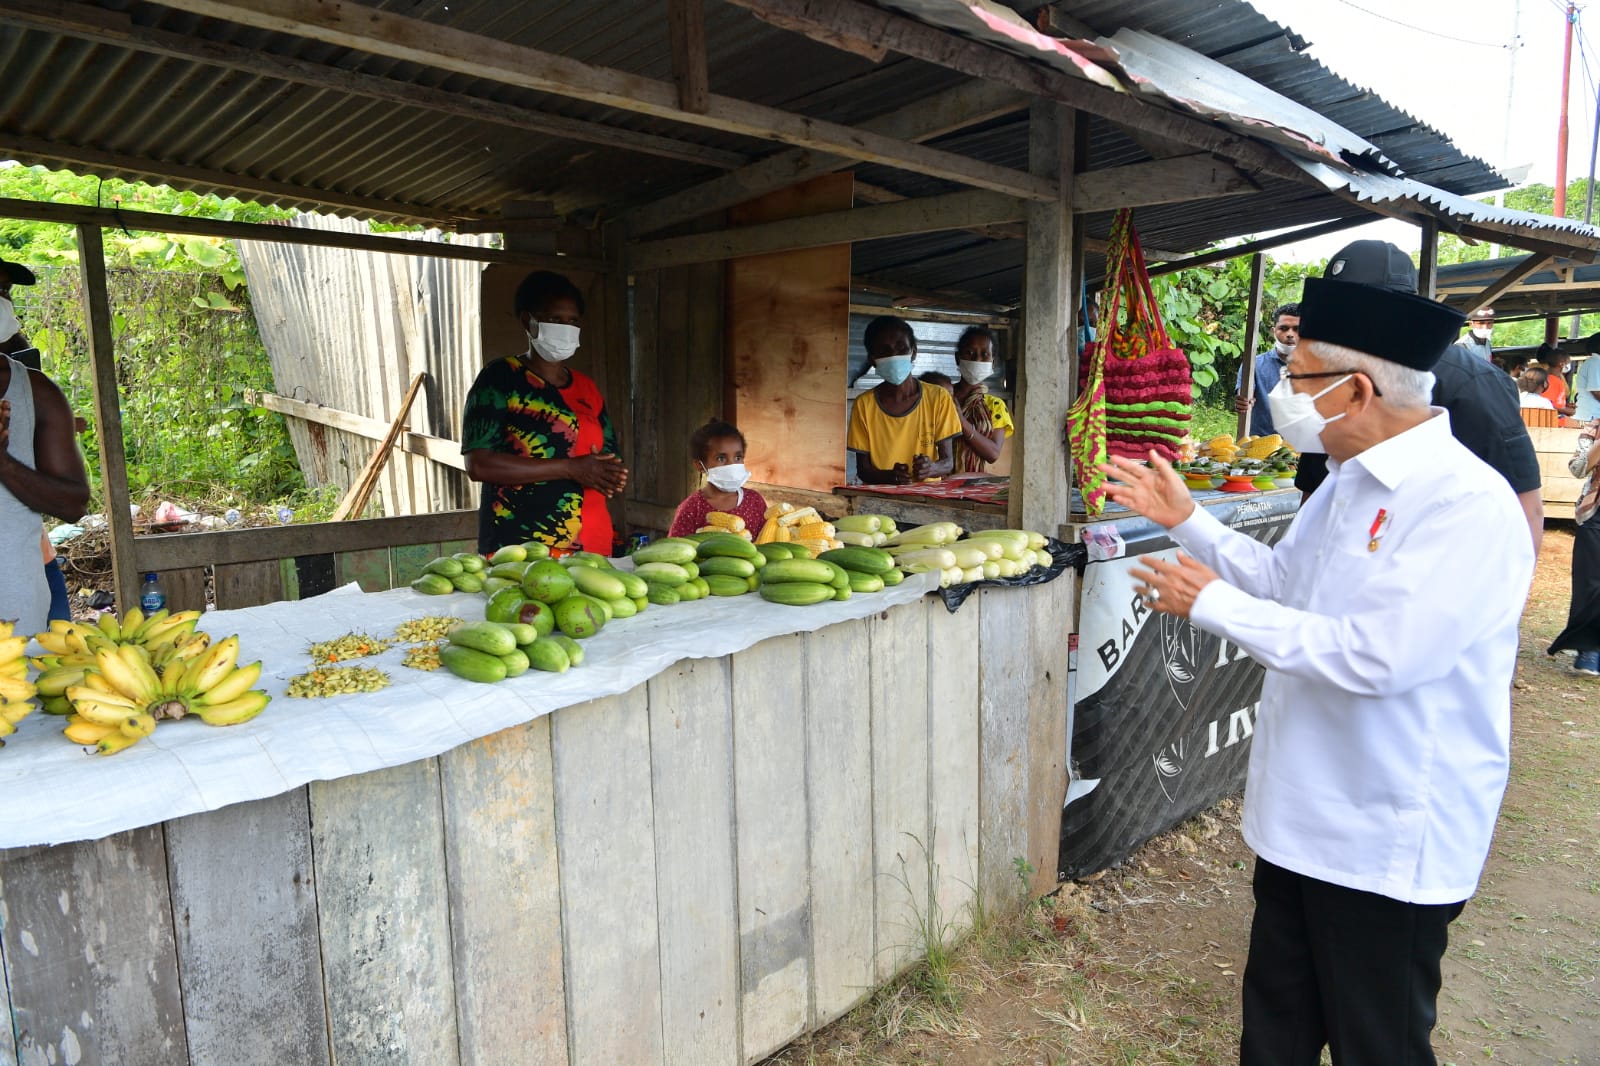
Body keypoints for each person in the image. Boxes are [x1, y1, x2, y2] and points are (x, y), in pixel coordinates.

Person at [1100, 266, 1533, 1066]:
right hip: (1300, 815)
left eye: (1298, 377)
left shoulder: (1462, 504)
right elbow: (1285, 585)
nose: (1282, 394)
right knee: (1275, 1028)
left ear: (1357, 389)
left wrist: (1212, 606)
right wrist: (1188, 522)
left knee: (1380, 1044)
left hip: (1385, 830)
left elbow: (1380, 657)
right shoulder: (1343, 485)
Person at [1293, 242, 1544, 555]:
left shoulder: (1473, 383)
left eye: (1355, 310)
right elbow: (1315, 487)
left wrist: (1507, 595)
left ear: (1401, 308)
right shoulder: (1333, 379)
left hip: (1435, 559)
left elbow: (1525, 504)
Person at [461, 270, 627, 556]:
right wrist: (570, 468)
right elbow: (479, 464)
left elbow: (610, 461)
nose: (566, 327)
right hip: (521, 548)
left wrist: (611, 475)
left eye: (573, 321)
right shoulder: (500, 378)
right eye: (554, 319)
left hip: (593, 544)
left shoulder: (587, 388)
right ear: (528, 321)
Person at [1, 258, 74, 623]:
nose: (1, 302)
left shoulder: (25, 378)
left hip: (28, 572)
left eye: (3, 293)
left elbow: (69, 498)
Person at [847, 315, 962, 484]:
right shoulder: (864, 404)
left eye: (901, 348)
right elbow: (864, 471)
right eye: (885, 351)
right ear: (873, 359)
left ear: (913, 352)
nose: (894, 356)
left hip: (928, 497)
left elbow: (948, 463)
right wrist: (889, 476)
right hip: (881, 497)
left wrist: (931, 468)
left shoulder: (938, 397)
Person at [1549, 418, 1600, 675]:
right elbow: (1578, 469)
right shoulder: (1593, 429)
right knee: (1590, 582)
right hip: (1595, 512)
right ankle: (1588, 649)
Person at [667, 419, 768, 537]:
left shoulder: (755, 501)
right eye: (721, 458)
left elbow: (767, 541)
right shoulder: (691, 508)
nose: (731, 465)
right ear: (700, 466)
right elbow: (677, 548)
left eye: (738, 457)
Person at [949, 326, 1014, 472]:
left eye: (984, 354)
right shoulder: (942, 397)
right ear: (957, 358)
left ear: (993, 361)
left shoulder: (995, 406)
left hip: (970, 483)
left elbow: (992, 454)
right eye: (970, 353)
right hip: (934, 481)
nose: (977, 359)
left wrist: (961, 422)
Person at [1233, 303, 1300, 436]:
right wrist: (1245, 401)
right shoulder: (1254, 365)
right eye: (1284, 328)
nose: (1290, 334)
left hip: (1301, 448)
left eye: (1297, 329)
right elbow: (1245, 394)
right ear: (1273, 331)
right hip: (1260, 446)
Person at [1537, 346, 1575, 418]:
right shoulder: (1552, 380)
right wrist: (1567, 410)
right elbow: (1546, 404)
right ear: (1562, 364)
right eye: (1568, 362)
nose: (1569, 364)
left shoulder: (1555, 378)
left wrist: (1564, 406)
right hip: (1552, 422)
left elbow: (1553, 402)